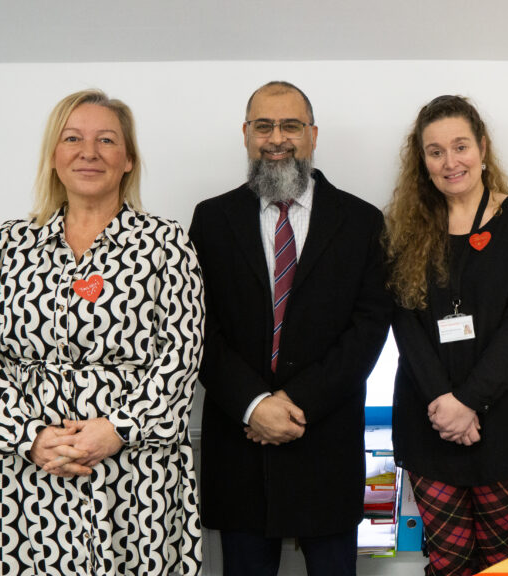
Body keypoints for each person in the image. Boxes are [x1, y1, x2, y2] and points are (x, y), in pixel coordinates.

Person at [0, 89, 204, 575]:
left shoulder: (167, 244)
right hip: (37, 476)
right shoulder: (8, 246)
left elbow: (182, 353)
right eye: (73, 138)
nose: (88, 152)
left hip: (138, 474)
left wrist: (117, 429)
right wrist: (30, 436)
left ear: (129, 159)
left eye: (107, 140)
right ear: (54, 156)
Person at [189, 81, 392, 576]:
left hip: (324, 442)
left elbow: (368, 330)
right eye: (264, 126)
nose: (276, 137)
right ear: (245, 134)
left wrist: (294, 405)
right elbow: (196, 329)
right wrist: (256, 405)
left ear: (313, 134)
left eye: (290, 126)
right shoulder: (211, 220)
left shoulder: (362, 222)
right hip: (241, 446)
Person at [385, 95, 508, 576]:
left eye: (460, 146)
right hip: (429, 418)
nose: (450, 161)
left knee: (500, 561)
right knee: (448, 560)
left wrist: (468, 402)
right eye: (435, 151)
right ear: (423, 161)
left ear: (482, 146)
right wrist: (445, 401)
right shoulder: (407, 228)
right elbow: (405, 324)